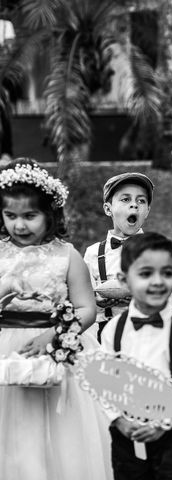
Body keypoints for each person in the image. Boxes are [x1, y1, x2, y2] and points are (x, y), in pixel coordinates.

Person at [0, 158, 113, 480]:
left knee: (60, 431)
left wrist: (54, 334)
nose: (20, 225)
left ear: (50, 214)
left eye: (30, 216)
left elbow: (86, 308)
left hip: (58, 347)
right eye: (10, 216)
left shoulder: (67, 256)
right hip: (6, 347)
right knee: (14, 431)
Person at [101, 232, 172, 480]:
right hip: (127, 434)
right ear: (123, 281)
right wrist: (118, 419)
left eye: (167, 273)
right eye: (146, 273)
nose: (157, 281)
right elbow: (105, 382)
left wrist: (163, 423)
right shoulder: (113, 332)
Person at [83, 172, 155, 342]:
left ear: (147, 211)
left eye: (141, 201)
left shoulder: (154, 249)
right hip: (107, 334)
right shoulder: (93, 253)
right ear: (108, 209)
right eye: (125, 199)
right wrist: (98, 300)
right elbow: (83, 299)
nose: (134, 206)